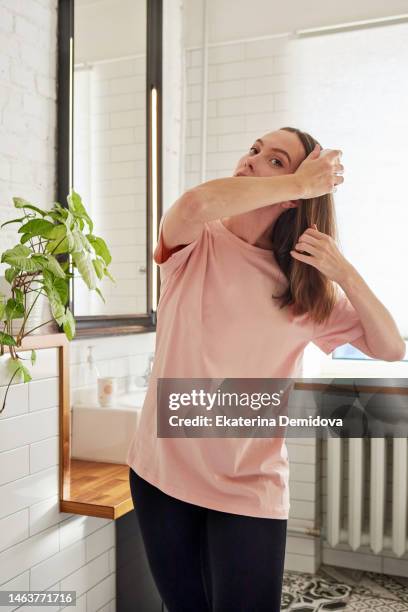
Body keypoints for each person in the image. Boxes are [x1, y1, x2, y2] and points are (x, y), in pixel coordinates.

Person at [127, 127, 405, 612]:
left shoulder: (305, 288)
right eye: (254, 149)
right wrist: (300, 182)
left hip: (250, 487)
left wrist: (345, 273)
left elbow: (390, 347)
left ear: (298, 197)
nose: (252, 159)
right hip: (162, 479)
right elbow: (196, 204)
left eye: (275, 160)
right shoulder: (196, 244)